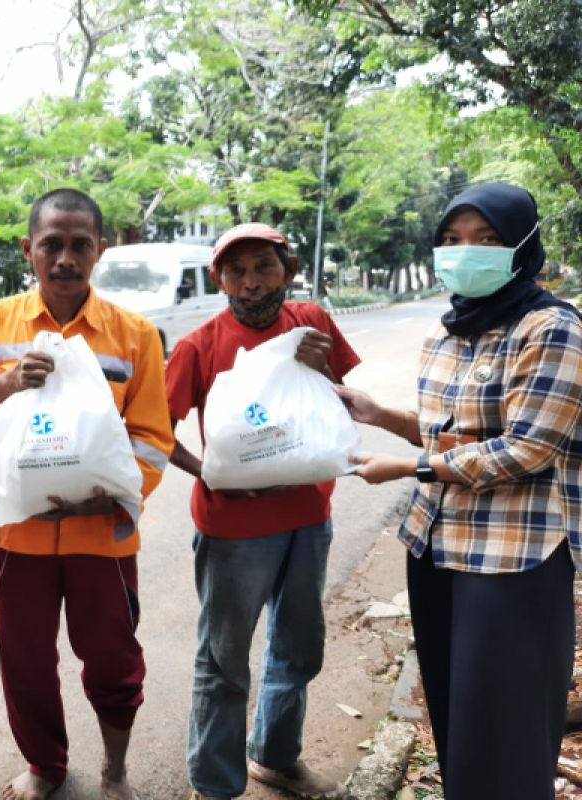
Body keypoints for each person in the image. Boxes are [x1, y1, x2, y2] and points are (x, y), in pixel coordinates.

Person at [337, 183, 582, 799]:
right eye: (451, 240)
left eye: (486, 240)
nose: (463, 252)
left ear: (523, 247)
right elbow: (450, 434)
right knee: (459, 720)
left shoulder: (551, 329)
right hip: (436, 547)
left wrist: (406, 469)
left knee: (507, 728)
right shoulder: (452, 331)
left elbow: (527, 450)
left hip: (512, 559)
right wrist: (376, 413)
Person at [0, 188, 174, 800]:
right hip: (18, 533)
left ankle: (115, 767)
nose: (65, 258)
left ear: (100, 249)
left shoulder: (135, 335)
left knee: (112, 661)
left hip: (104, 535)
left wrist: (119, 493)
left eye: (79, 245)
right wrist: (7, 382)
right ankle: (45, 765)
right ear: (29, 249)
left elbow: (153, 438)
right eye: (52, 244)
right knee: (24, 661)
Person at [166, 223, 358, 800]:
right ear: (218, 278)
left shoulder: (313, 323)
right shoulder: (199, 344)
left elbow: (343, 405)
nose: (250, 285)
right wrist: (212, 474)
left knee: (298, 646)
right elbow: (149, 429)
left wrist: (323, 368)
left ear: (289, 269)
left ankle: (275, 757)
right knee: (223, 661)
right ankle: (215, 783)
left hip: (308, 517)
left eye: (263, 268)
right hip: (232, 531)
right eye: (236, 272)